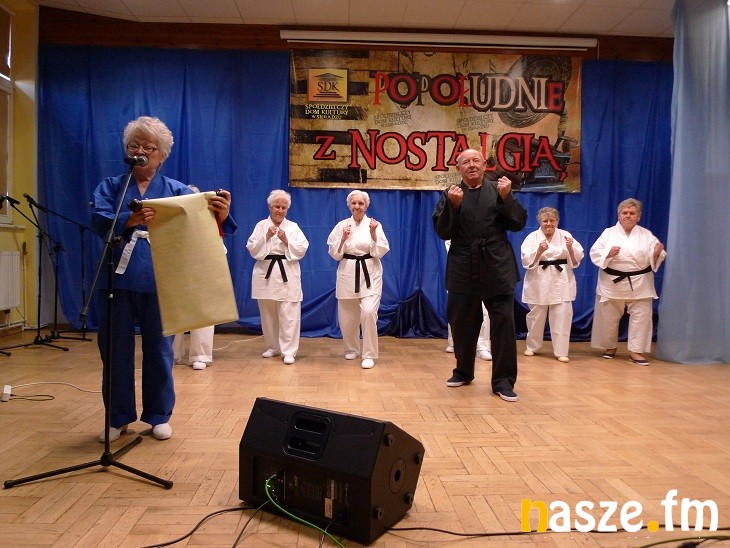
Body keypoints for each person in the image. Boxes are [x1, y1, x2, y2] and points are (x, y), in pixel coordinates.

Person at [91, 116, 235, 442]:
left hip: (162, 279)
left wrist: (221, 215)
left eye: (149, 147)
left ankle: (159, 415)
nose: (140, 151)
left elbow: (201, 228)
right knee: (115, 351)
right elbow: (98, 219)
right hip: (117, 280)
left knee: (159, 349)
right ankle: (117, 418)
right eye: (134, 145)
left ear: (162, 155)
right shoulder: (111, 187)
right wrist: (130, 220)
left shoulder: (177, 191)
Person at [432, 148, 527, 401]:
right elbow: (442, 232)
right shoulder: (451, 193)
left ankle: (503, 381)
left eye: (476, 161)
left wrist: (507, 199)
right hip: (463, 264)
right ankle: (463, 371)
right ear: (458, 169)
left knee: (503, 323)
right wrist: (453, 206)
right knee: (462, 322)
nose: (472, 165)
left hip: (496, 264)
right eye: (466, 162)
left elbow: (518, 223)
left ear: (485, 165)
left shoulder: (500, 189)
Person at [590, 198, 666, 365]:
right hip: (612, 281)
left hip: (640, 282)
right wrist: (608, 254)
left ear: (638, 216)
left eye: (632, 213)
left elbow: (655, 255)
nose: (628, 216)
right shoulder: (608, 233)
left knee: (641, 317)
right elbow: (595, 253)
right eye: (624, 213)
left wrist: (656, 254)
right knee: (608, 317)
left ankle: (636, 351)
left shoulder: (646, 235)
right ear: (619, 215)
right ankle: (610, 347)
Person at [327, 190, 390, 369]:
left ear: (366, 206)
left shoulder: (374, 225)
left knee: (369, 312)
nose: (357, 206)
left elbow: (381, 250)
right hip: (347, 270)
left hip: (370, 271)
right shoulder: (341, 225)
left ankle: (369, 354)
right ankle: (351, 348)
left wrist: (373, 233)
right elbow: (334, 254)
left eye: (361, 203)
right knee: (347, 316)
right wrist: (343, 238)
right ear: (349, 206)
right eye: (354, 203)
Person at [246, 189, 309, 365]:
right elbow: (252, 249)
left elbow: (303, 248)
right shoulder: (261, 226)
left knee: (289, 314)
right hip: (265, 271)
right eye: (277, 206)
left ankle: (289, 351)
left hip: (287, 271)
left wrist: (286, 240)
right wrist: (267, 236)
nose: (280, 210)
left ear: (287, 209)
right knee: (268, 314)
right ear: (270, 207)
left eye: (283, 207)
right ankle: (273, 346)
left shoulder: (293, 227)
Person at [520, 207, 583, 363]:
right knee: (536, 316)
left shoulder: (566, 236)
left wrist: (570, 248)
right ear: (540, 222)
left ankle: (561, 351)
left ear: (557, 221)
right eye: (545, 221)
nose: (548, 224)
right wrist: (539, 251)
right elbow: (526, 261)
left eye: (552, 220)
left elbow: (576, 260)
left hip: (561, 280)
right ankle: (533, 346)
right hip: (538, 280)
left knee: (562, 316)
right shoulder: (532, 237)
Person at [172, 184, 219, 371]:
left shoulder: (208, 219)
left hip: (203, 270)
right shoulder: (171, 220)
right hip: (176, 270)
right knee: (174, 311)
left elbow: (218, 247)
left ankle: (200, 354)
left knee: (203, 313)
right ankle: (173, 353)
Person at [444, 239, 491, 360]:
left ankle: (482, 346)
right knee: (457, 311)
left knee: (483, 310)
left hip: (482, 270)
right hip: (460, 269)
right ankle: (455, 342)